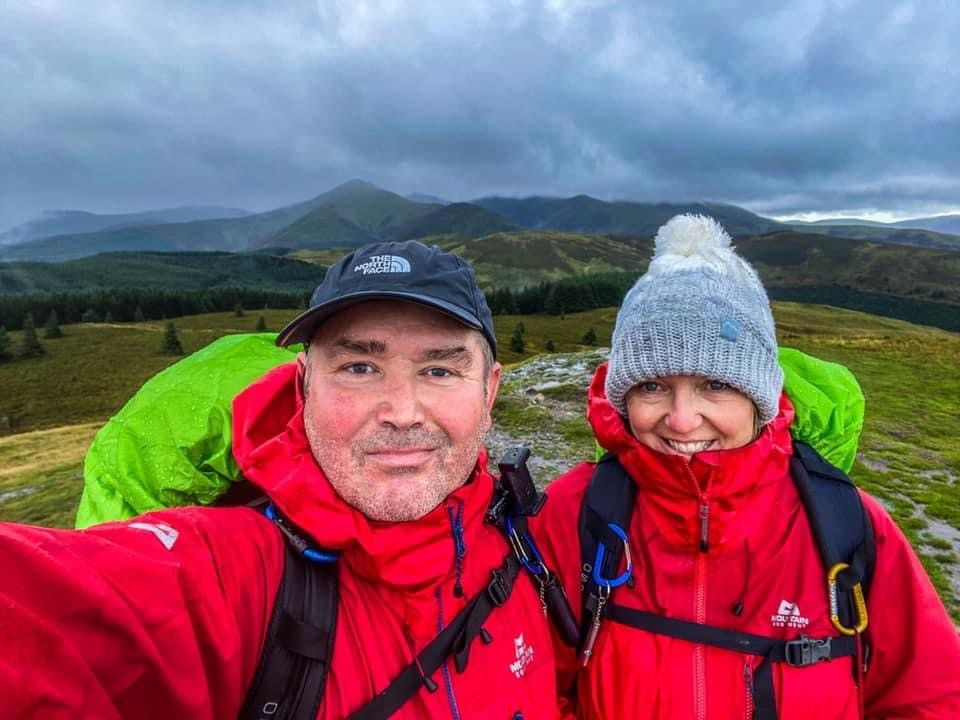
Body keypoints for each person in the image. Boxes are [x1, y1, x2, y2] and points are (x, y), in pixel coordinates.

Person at [0, 240, 557, 719]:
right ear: (304, 384)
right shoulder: (233, 572)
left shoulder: (531, 547)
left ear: (489, 390)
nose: (403, 411)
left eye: (438, 369)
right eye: (359, 367)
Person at [533, 214, 960, 719]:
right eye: (652, 386)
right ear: (623, 398)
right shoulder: (575, 512)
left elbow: (930, 698)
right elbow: (535, 689)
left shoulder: (847, 526)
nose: (683, 418)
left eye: (715, 385)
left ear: (759, 398)